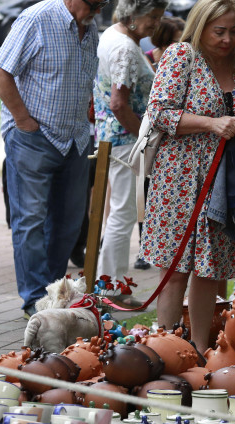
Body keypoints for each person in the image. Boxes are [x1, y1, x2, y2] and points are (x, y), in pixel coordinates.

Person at [141, 0, 235, 351]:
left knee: (211, 271)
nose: (227, 39)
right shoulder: (182, 56)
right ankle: (164, 350)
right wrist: (213, 123)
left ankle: (196, 349)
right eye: (219, 31)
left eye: (234, 31)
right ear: (201, 27)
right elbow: (160, 113)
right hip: (180, 178)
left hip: (228, 182)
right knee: (175, 268)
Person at [0, 0, 108, 318]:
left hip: (75, 140)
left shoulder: (91, 26)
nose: (99, 9)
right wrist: (23, 121)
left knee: (68, 225)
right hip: (33, 139)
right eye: (94, 3)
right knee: (30, 221)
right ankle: (34, 300)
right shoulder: (37, 19)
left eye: (103, 3)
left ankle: (53, 295)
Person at [93, 0, 166, 295]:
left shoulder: (116, 35)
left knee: (120, 214)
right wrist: (143, 137)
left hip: (117, 139)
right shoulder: (124, 47)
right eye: (153, 17)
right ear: (133, 14)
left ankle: (111, 284)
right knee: (123, 215)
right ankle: (109, 288)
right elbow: (118, 104)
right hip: (125, 143)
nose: (156, 24)